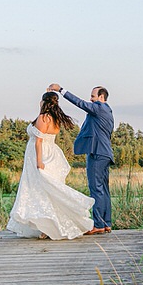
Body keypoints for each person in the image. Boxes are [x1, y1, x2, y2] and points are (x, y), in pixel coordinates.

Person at [6, 93, 95, 240]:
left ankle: (46, 228)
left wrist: (39, 161)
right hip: (52, 152)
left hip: (41, 155)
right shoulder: (54, 118)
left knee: (40, 189)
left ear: (43, 102)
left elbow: (38, 142)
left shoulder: (43, 117)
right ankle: (47, 227)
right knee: (47, 190)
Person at [47, 84, 114, 234]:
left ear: (101, 98)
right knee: (103, 189)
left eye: (93, 96)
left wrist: (61, 90)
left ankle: (98, 225)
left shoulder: (99, 108)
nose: (90, 100)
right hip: (105, 153)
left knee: (96, 189)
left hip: (96, 152)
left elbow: (79, 103)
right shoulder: (108, 111)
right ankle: (106, 223)